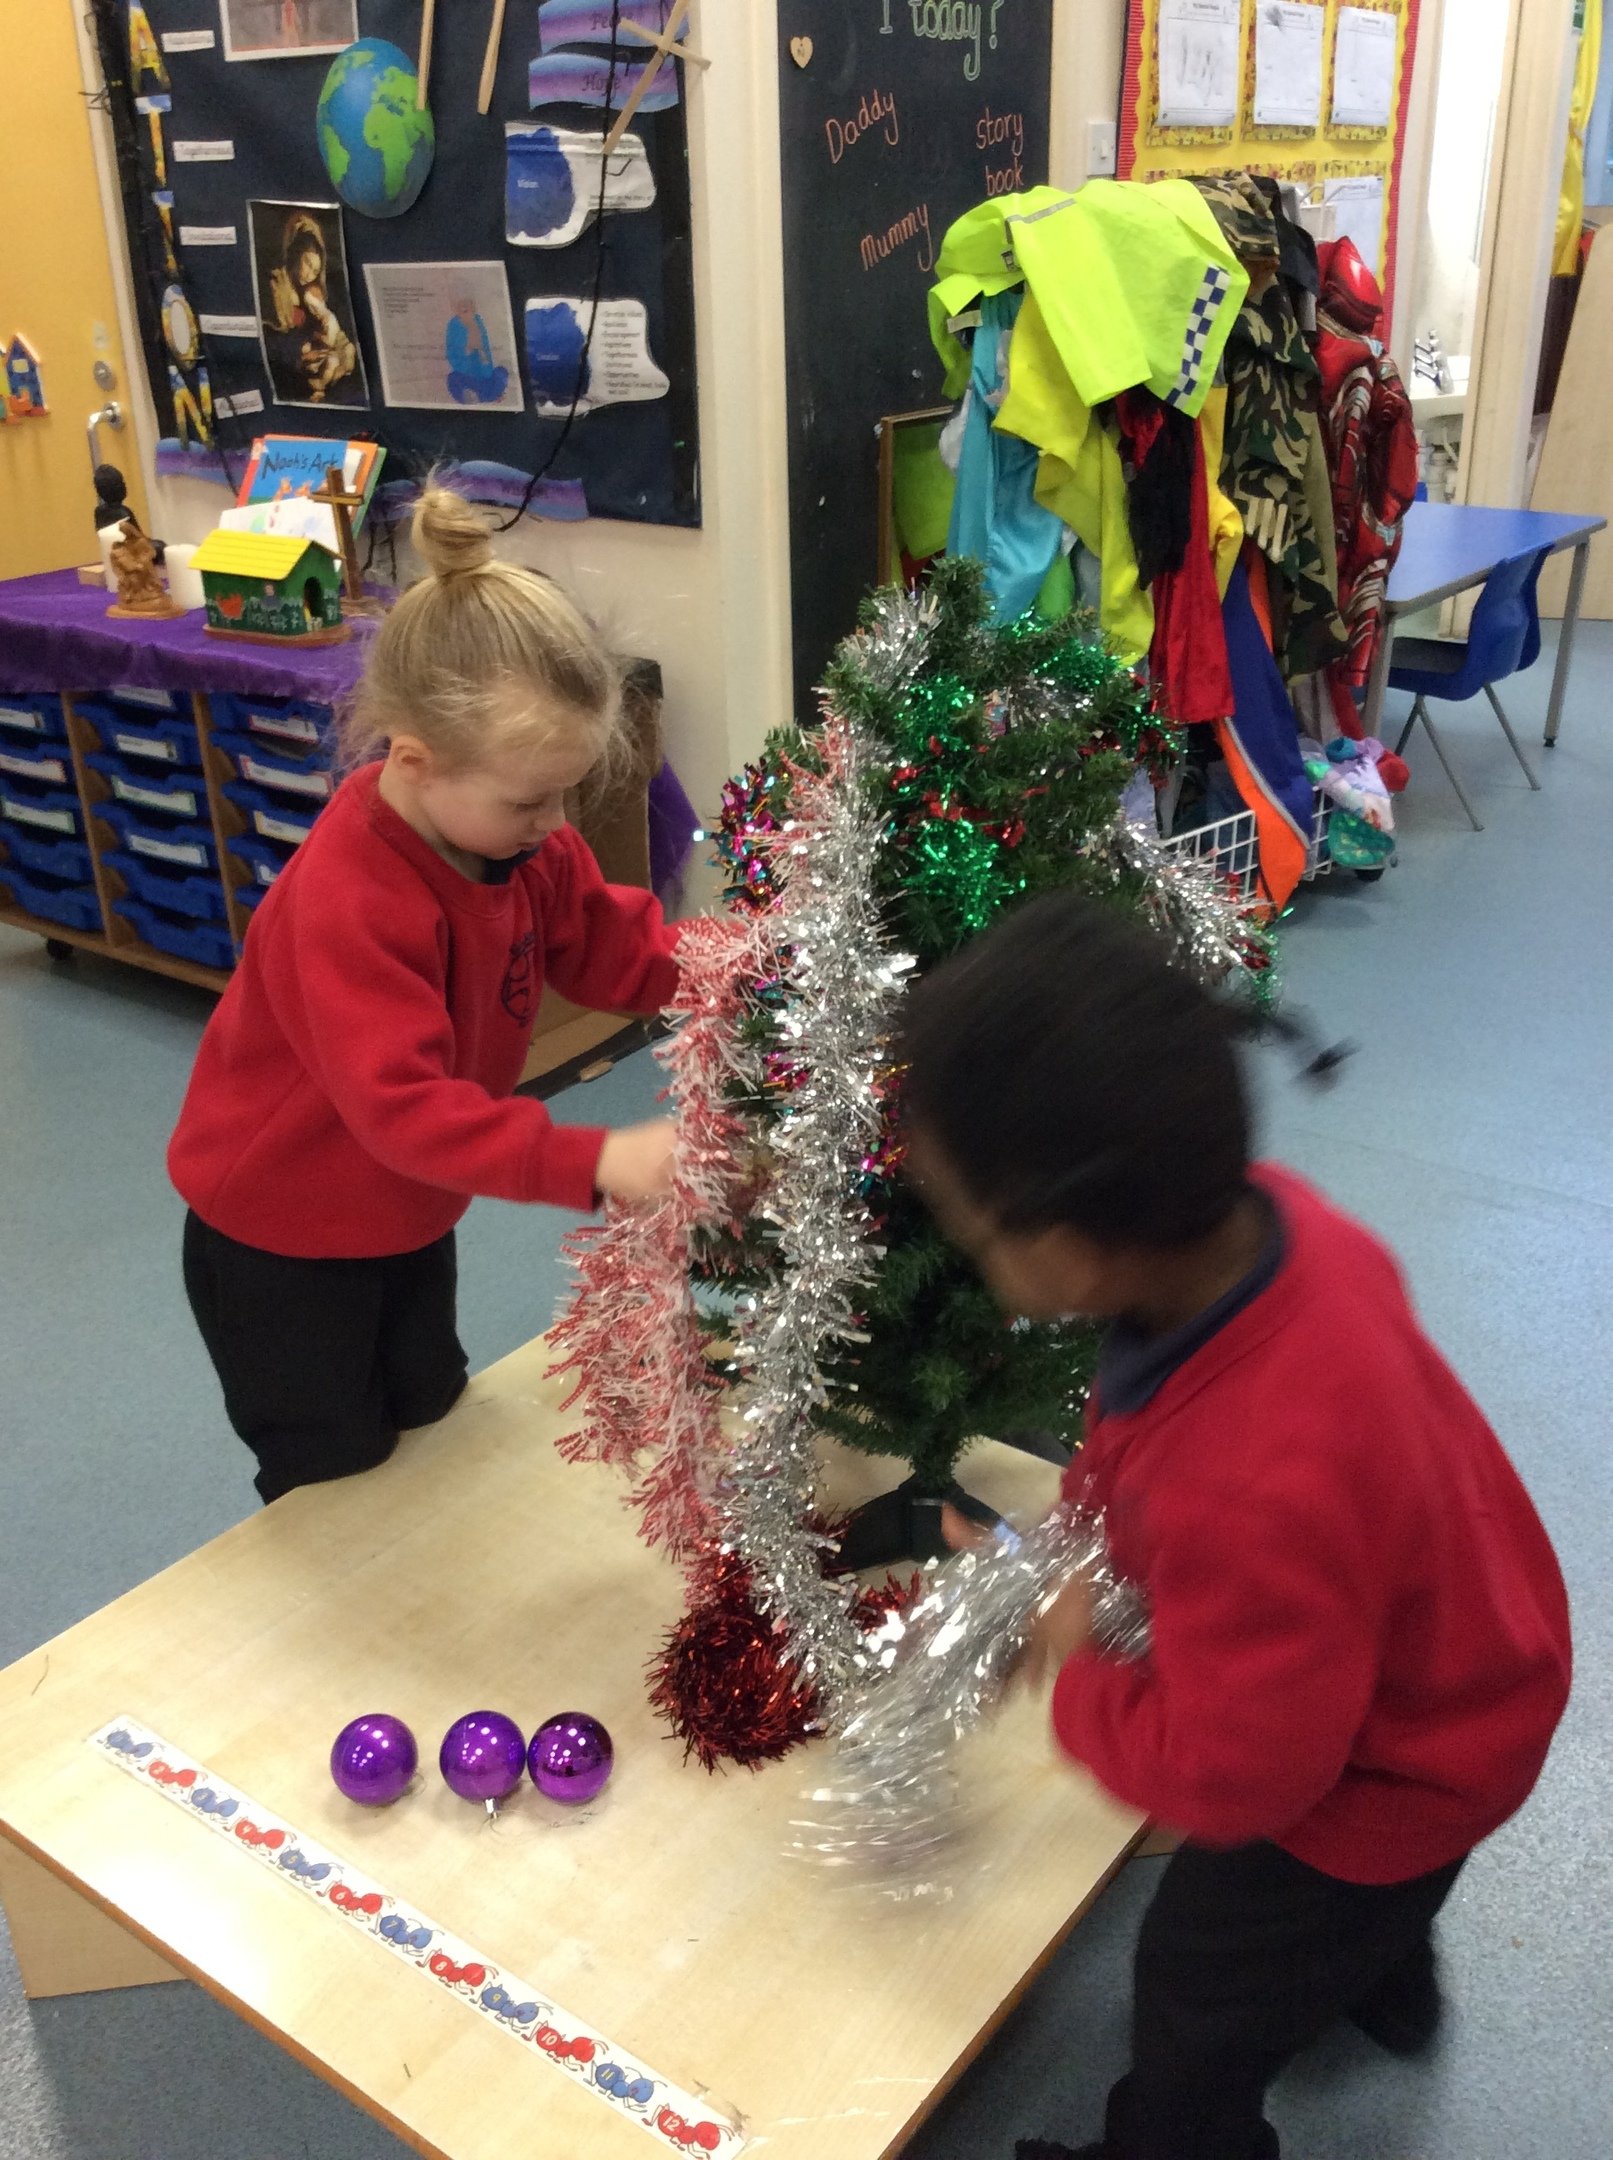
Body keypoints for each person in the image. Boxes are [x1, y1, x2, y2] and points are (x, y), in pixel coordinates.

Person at [898, 892, 1571, 2160]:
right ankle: (1375, 1965)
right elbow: (1145, 1407)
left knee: (1195, 1983)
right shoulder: (1267, 1225)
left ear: (1070, 1247)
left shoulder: (1254, 1482)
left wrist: (1080, 1665)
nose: (964, 1253)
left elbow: (1239, 1778)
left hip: (1394, 1765)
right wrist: (1094, 1512)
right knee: (1363, 1901)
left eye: (967, 1228)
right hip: (1472, 1668)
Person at [170, 487, 681, 1506]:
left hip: (405, 1214)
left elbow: (611, 950)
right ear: (412, 758)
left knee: (431, 1422)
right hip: (281, 1238)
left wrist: (736, 974)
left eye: (566, 794)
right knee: (334, 1475)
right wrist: (597, 1158)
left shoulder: (522, 838)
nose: (554, 823)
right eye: (530, 799)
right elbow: (403, 1112)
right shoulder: (348, 900)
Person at [263, 211, 359, 404]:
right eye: (307, 263)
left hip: (311, 354)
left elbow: (318, 325)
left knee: (343, 356)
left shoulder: (308, 294)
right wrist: (300, 351)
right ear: (296, 254)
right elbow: (270, 335)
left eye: (315, 271)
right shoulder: (276, 284)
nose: (309, 275)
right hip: (290, 362)